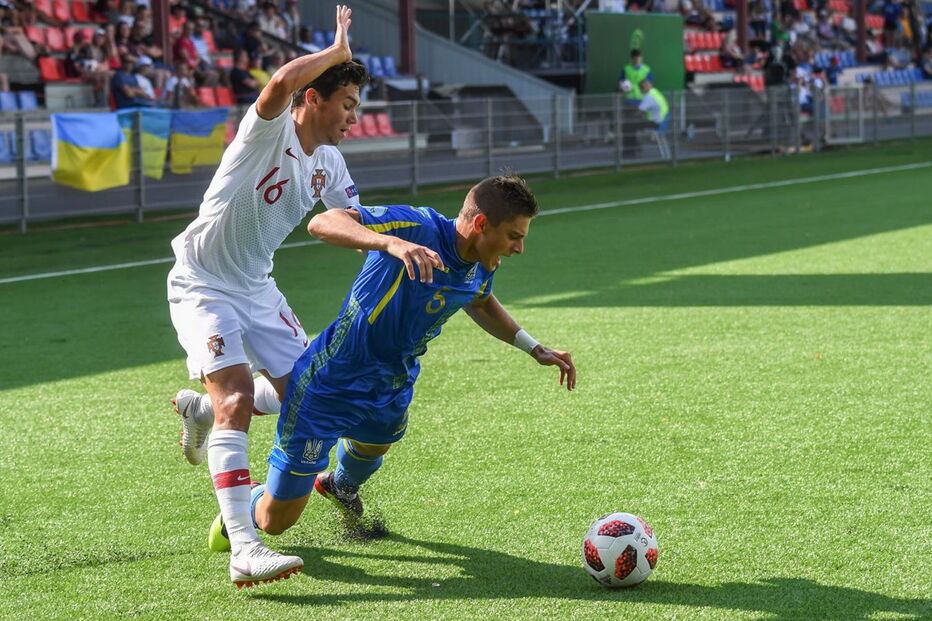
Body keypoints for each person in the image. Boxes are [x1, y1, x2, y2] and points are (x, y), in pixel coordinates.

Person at [204, 174, 576, 553]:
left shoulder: (482, 261)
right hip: (329, 386)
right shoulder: (419, 226)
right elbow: (323, 222)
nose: (520, 248)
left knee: (373, 445)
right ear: (481, 224)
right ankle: (242, 505)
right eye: (515, 235)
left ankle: (338, 486)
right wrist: (391, 243)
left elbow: (479, 301)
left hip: (393, 384)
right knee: (275, 522)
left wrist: (533, 347)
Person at [166, 6, 369, 588]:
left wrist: (396, 247)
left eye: (357, 107)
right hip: (202, 281)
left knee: (309, 397)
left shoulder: (328, 160)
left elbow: (353, 218)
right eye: (348, 103)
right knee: (234, 396)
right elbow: (280, 82)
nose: (353, 117)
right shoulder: (269, 129)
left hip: (257, 288)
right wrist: (336, 52)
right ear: (314, 98)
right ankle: (244, 548)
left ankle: (201, 410)